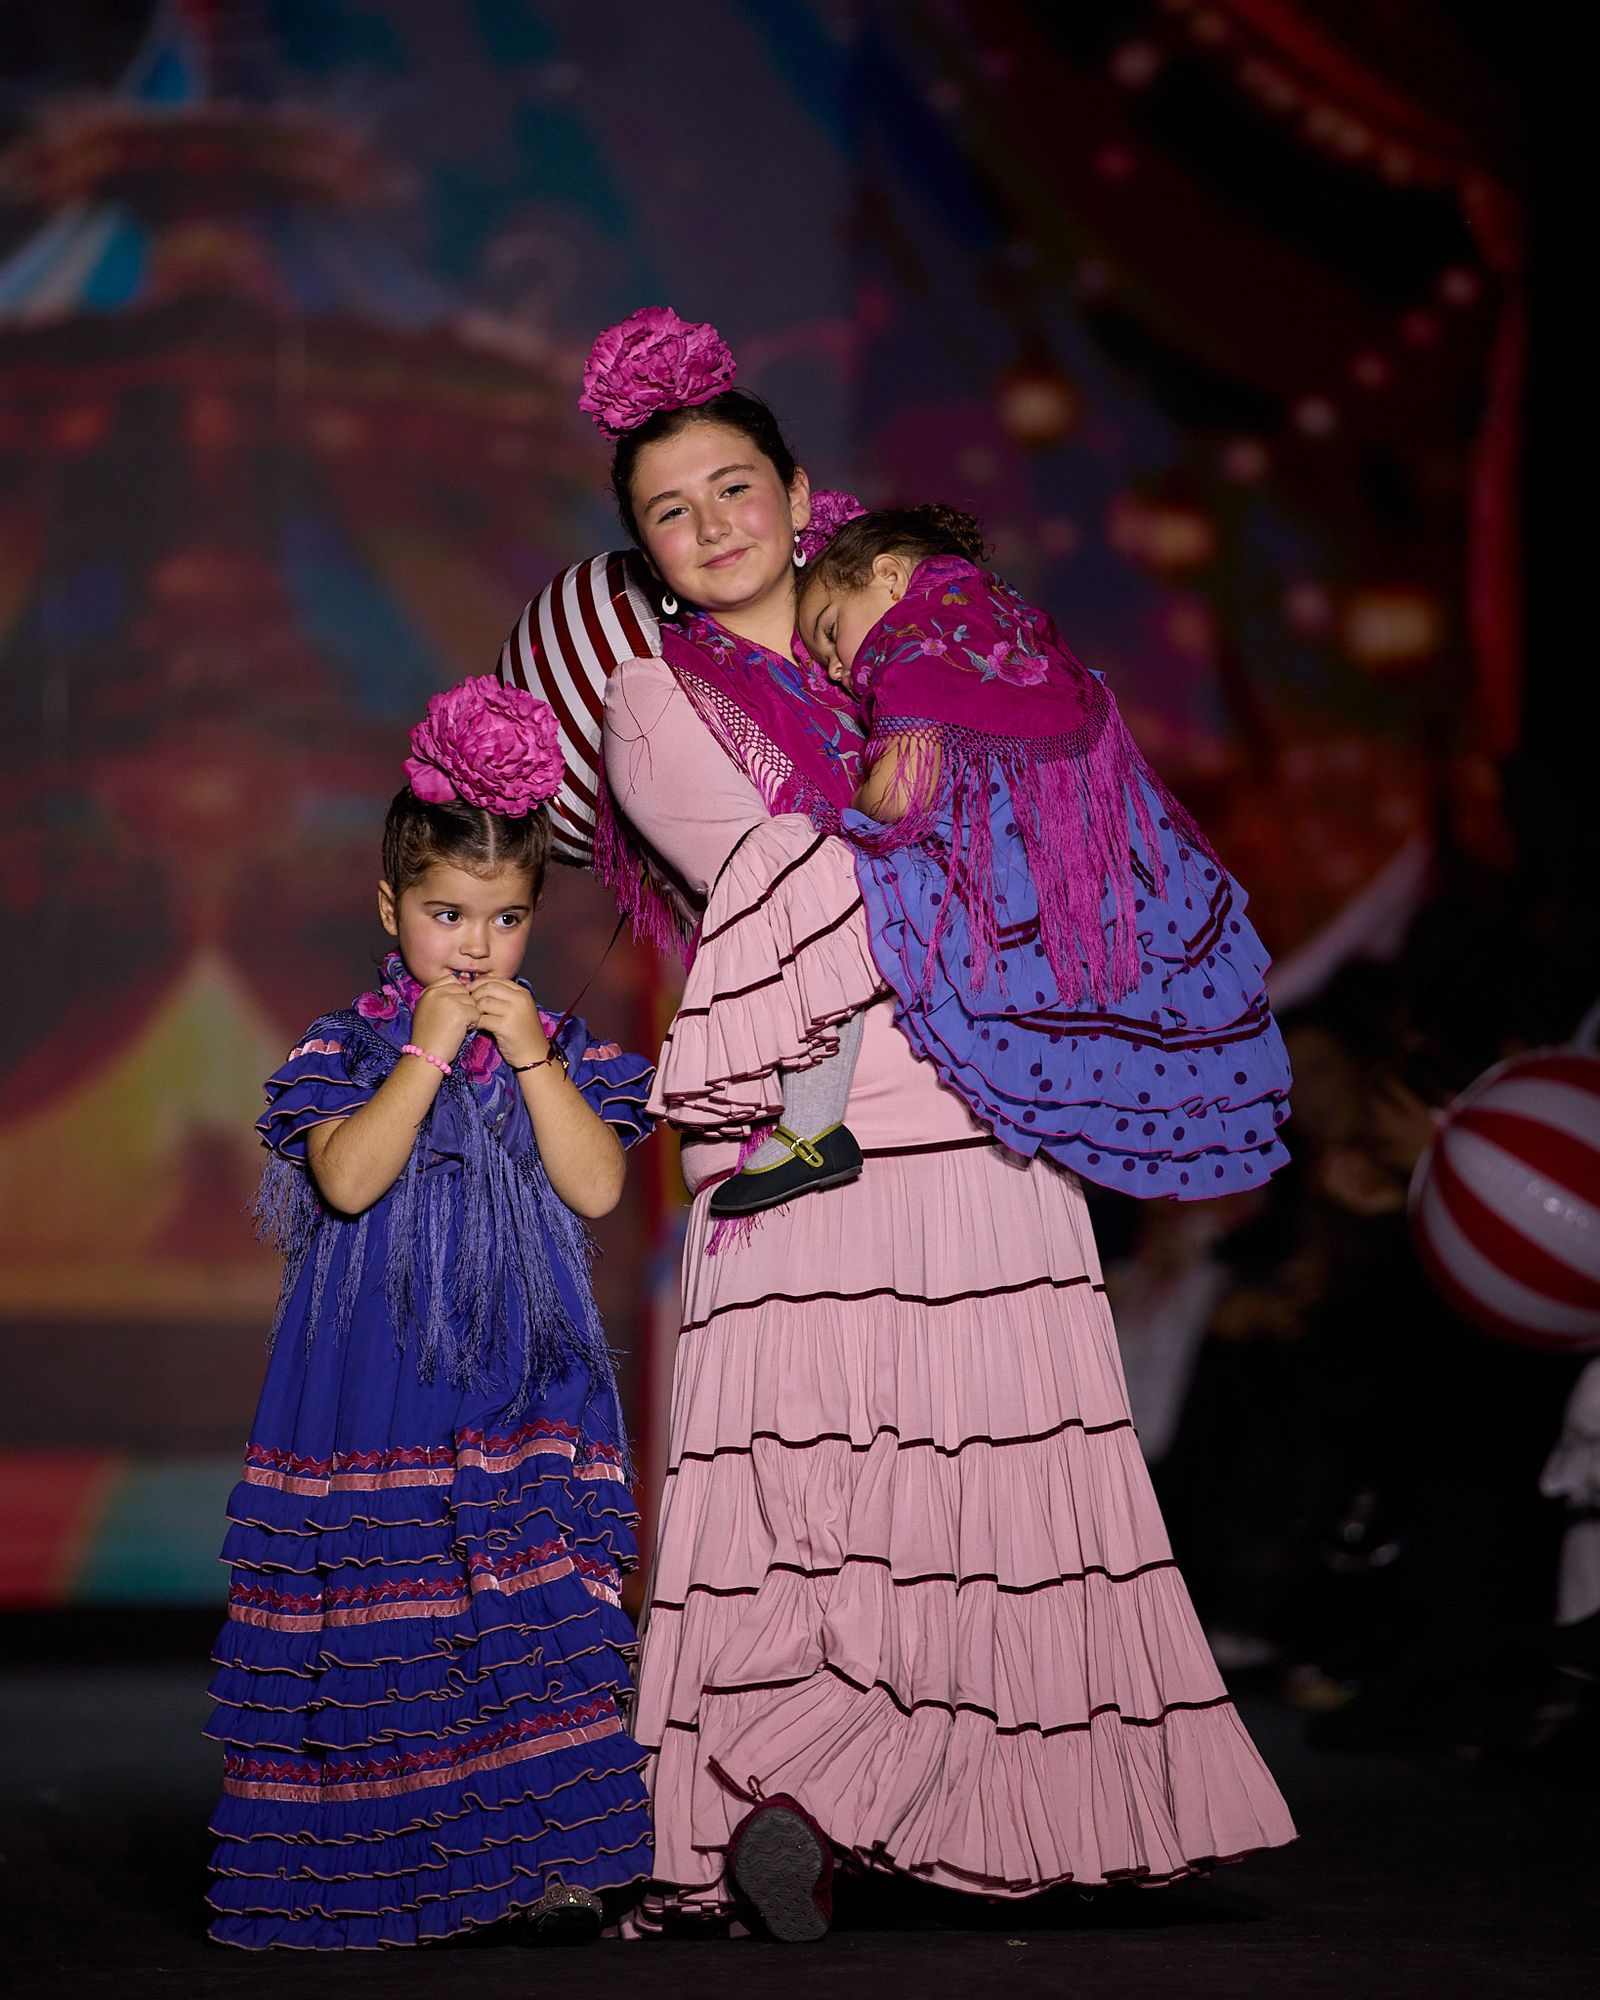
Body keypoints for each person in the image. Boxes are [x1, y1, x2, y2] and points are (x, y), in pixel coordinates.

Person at [582, 307, 1295, 1941]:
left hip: (989, 1104)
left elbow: (1069, 782)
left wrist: (1017, 762)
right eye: (669, 514)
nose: (709, 529)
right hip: (808, 1135)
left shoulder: (918, 627)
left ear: (794, 485)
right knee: (810, 1496)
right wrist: (986, 814)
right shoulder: (655, 703)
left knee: (1000, 1486)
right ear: (642, 553)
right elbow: (790, 874)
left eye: (731, 488)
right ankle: (786, 1805)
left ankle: (1025, 1818)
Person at [205, 676, 655, 1949]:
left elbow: (598, 1183)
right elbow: (345, 1180)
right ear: (391, 907)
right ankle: (389, 1869)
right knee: (394, 1617)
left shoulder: (553, 1047)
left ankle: (550, 1861)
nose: (474, 945)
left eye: (504, 920)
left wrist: (525, 1054)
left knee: (523, 1607)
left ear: (533, 923)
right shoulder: (344, 1050)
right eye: (448, 913)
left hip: (521, 1379)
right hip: (379, 1377)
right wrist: (422, 1049)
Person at [704, 497, 1291, 1214]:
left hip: (1011, 870)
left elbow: (905, 787)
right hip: (1093, 865)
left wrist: (849, 822)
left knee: (817, 874)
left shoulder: (908, 635)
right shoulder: (1004, 615)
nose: (831, 671)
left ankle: (811, 1125)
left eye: (829, 633)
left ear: (889, 576)